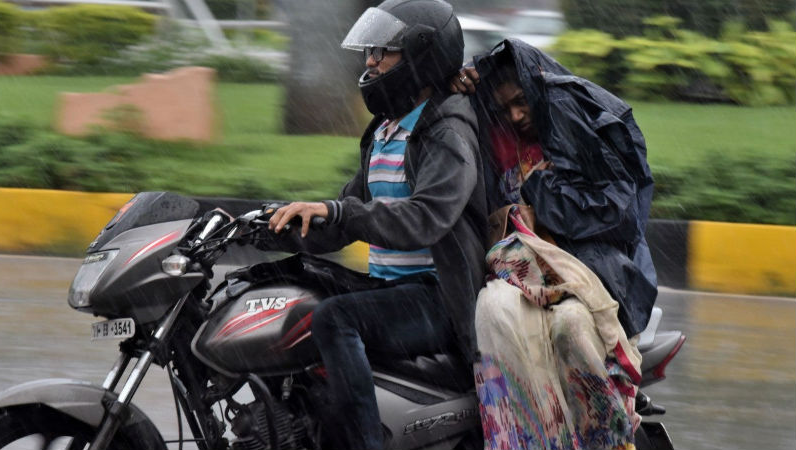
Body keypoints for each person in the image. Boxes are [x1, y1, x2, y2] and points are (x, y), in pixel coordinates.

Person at [263, 1, 488, 448]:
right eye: (370, 50)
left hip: (437, 296)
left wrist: (343, 213)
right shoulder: (388, 131)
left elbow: (425, 219)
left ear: (423, 54)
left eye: (384, 51)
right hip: (389, 287)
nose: (370, 61)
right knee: (289, 300)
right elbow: (348, 215)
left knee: (333, 319)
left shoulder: (448, 134)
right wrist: (277, 223)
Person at [449, 40, 658, 450]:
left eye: (522, 101)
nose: (516, 115)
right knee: (493, 317)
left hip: (589, 271)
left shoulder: (569, 123)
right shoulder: (491, 138)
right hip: (515, 270)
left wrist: (542, 191)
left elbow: (617, 212)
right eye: (505, 107)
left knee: (572, 328)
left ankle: (610, 440)